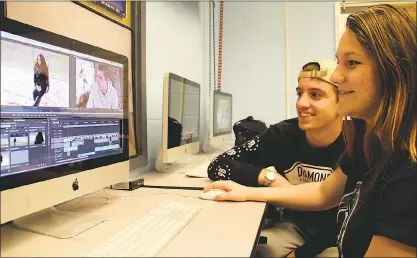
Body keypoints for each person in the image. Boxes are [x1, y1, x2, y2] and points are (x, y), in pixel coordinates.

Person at [204, 3, 416, 258]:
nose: (337, 77)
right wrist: (247, 191)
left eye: (352, 62)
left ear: (397, 73)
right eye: (339, 62)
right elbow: (323, 192)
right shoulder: (367, 139)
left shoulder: (409, 169)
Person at [207, 60, 345, 257]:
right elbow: (218, 165)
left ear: (343, 102)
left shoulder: (358, 143)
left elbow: (356, 221)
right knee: (251, 249)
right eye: (299, 93)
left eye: (315, 95)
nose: (301, 103)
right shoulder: (283, 134)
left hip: (338, 236)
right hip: (294, 225)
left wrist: (301, 255)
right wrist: (267, 177)